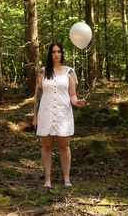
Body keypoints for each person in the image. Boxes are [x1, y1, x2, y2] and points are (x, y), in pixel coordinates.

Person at [33, 42, 85, 188]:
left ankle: (66, 179)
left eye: (59, 52)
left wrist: (76, 102)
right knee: (46, 147)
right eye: (53, 52)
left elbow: (73, 95)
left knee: (64, 146)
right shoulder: (43, 72)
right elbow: (37, 95)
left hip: (63, 114)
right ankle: (47, 179)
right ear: (50, 54)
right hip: (46, 112)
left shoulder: (69, 72)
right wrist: (35, 117)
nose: (56, 54)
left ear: (62, 54)